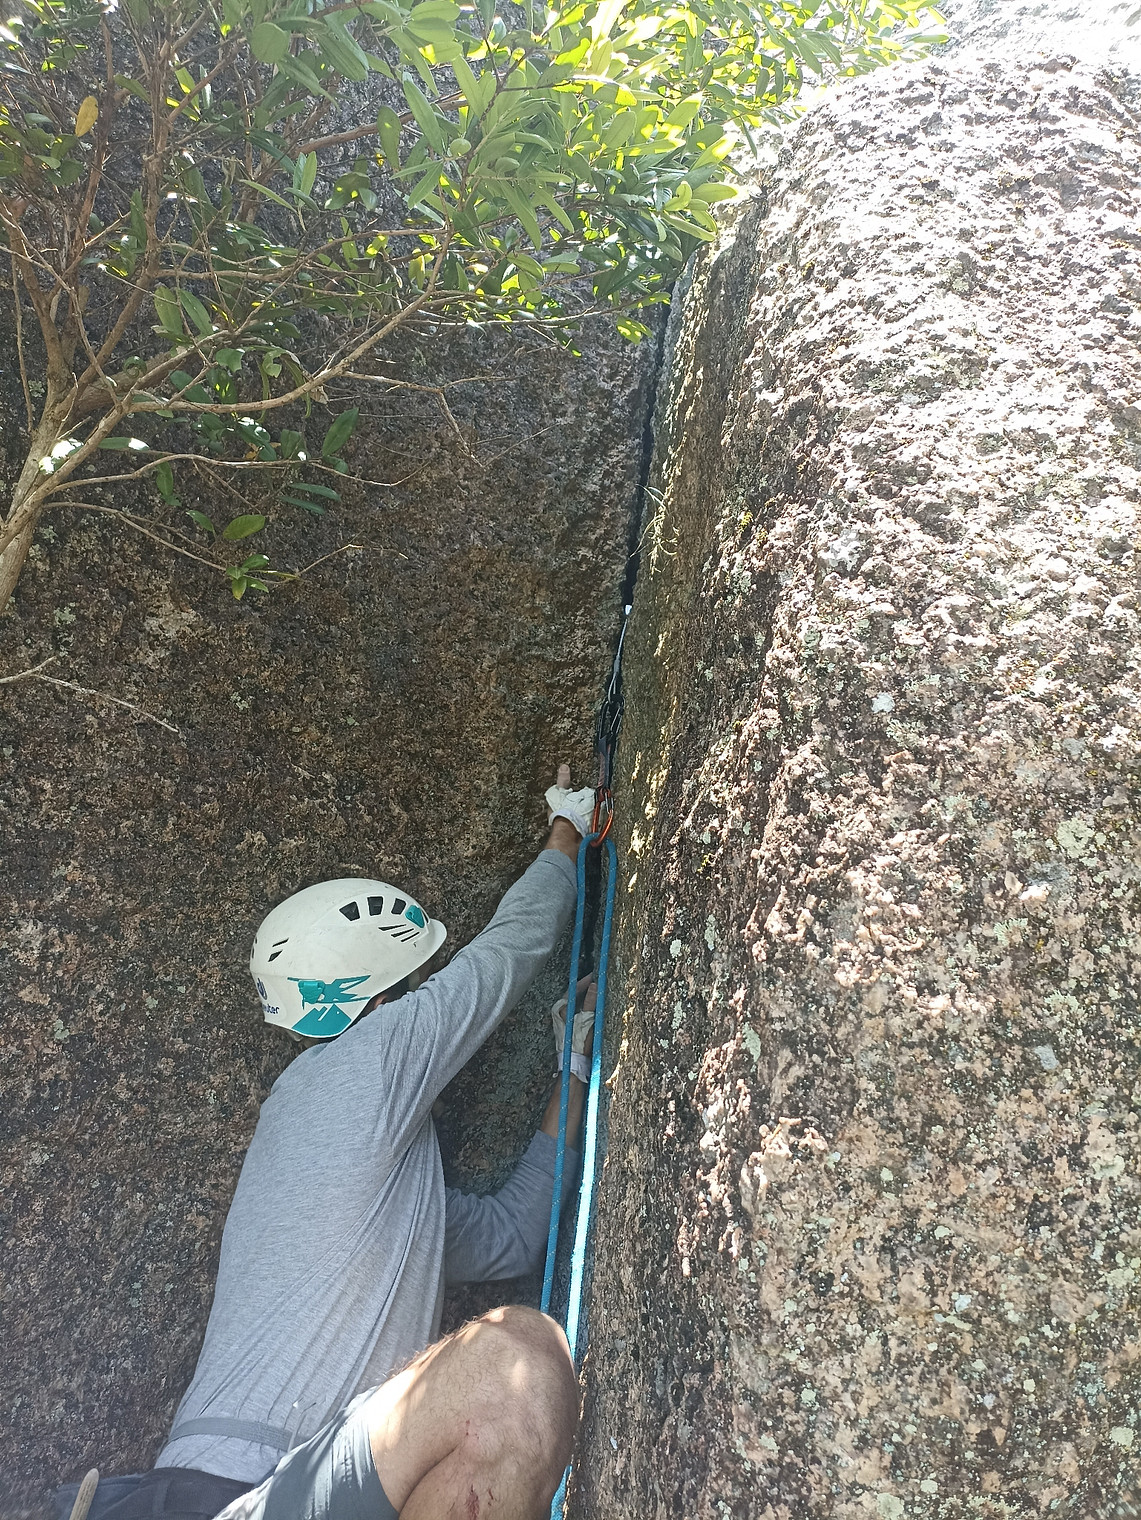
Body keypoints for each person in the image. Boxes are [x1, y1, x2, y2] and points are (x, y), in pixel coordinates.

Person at [57, 771, 600, 1520]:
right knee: (516, 1363)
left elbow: (509, 1237)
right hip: (244, 1490)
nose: (422, 1001)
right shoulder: (360, 1066)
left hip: (213, 1491)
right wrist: (568, 830)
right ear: (378, 993)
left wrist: (572, 1070)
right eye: (414, 983)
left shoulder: (353, 1169)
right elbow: (504, 957)